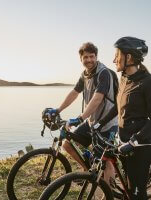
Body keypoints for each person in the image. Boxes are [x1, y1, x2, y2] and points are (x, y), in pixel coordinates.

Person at [44, 42, 118, 184]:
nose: (89, 60)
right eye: (85, 57)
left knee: (105, 160)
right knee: (67, 144)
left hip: (108, 123)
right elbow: (74, 92)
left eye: (92, 56)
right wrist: (58, 110)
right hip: (91, 121)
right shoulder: (84, 75)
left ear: (96, 57)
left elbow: (98, 98)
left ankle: (108, 191)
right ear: (81, 59)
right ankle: (87, 171)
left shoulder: (104, 73)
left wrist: (79, 118)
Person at [113, 36, 151, 199]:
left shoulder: (148, 82)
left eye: (117, 55)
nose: (114, 59)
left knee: (137, 194)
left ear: (129, 57)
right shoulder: (124, 78)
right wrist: (97, 125)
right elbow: (118, 107)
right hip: (124, 141)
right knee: (128, 186)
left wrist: (133, 141)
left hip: (140, 145)